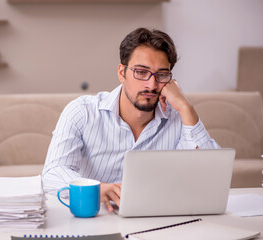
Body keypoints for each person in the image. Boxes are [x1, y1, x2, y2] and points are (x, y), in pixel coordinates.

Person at [42, 28, 220, 212]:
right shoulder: (82, 112)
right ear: (122, 73)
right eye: (141, 72)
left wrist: (186, 107)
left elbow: (210, 180)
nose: (151, 85)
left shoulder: (180, 118)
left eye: (161, 75)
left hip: (158, 222)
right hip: (97, 220)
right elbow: (52, 174)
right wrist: (94, 188)